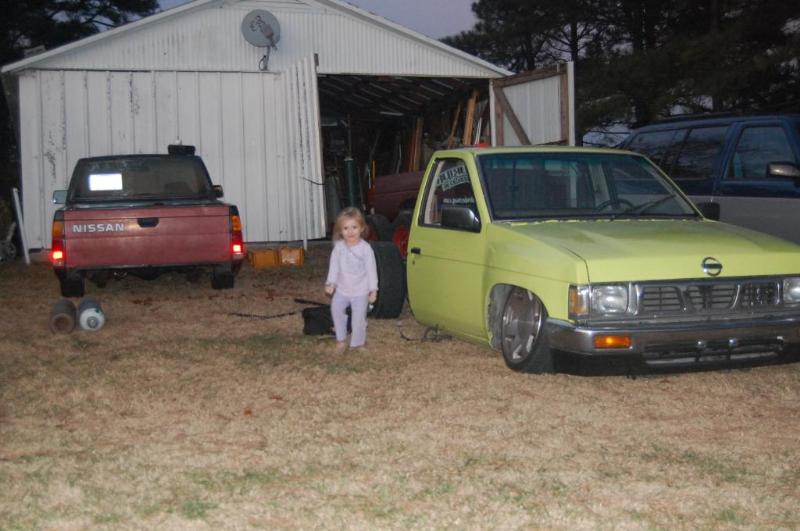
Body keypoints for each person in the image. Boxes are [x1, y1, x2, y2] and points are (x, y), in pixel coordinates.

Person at [325, 207, 378, 353]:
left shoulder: (365, 249)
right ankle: (341, 339)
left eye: (354, 227)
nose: (350, 232)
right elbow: (334, 267)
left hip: (361, 291)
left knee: (358, 318)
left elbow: (371, 270)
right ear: (340, 231)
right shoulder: (339, 248)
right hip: (342, 289)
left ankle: (358, 342)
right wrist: (331, 283)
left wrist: (373, 290)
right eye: (346, 228)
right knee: (336, 309)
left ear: (361, 228)